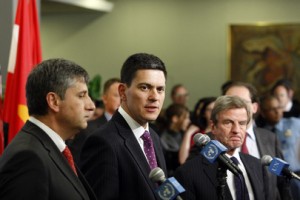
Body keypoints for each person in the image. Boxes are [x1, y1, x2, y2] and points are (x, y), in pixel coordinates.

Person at [0, 58, 97, 200]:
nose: (91, 106)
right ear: (53, 101)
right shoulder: (28, 157)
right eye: (81, 96)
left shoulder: (50, 148)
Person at [79, 53, 167, 200]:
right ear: (122, 91)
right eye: (145, 87)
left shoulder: (153, 137)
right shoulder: (103, 142)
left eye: (160, 89)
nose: (154, 97)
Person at [174, 95, 268, 200]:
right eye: (228, 122)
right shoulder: (188, 173)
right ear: (213, 127)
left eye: (242, 123)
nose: (236, 130)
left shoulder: (258, 166)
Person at [223, 81, 292, 200]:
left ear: (254, 107)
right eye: (229, 102)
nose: (234, 107)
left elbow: (282, 182)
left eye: (241, 102)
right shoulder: (210, 141)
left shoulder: (270, 138)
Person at [68, 77, 121, 163]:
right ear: (104, 98)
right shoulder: (87, 129)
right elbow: (77, 163)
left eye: (124, 95)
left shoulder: (133, 128)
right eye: (117, 95)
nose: (121, 99)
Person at [258, 94, 300, 200]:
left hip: (296, 175)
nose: (277, 112)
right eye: (272, 109)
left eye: (279, 107)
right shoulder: (261, 134)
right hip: (275, 181)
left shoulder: (294, 123)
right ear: (263, 113)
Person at [178, 97, 216, 164]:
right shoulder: (197, 133)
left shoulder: (222, 132)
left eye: (216, 110)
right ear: (204, 113)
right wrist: (188, 134)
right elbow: (183, 160)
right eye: (210, 110)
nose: (213, 113)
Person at [160, 103, 190, 176]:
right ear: (175, 119)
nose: (189, 121)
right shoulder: (163, 138)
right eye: (186, 118)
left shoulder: (183, 134)